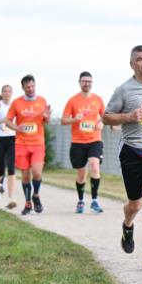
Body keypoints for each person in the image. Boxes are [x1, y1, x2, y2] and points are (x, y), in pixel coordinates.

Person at [103, 46, 142, 273]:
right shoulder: (124, 90)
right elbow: (106, 117)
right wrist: (128, 116)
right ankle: (127, 225)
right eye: (140, 59)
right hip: (132, 151)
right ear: (132, 64)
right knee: (135, 204)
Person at [5, 75, 51, 215]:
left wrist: (47, 116)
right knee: (25, 175)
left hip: (37, 143)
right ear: (23, 88)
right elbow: (7, 121)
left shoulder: (42, 100)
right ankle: (27, 203)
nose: (31, 89)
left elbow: (46, 121)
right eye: (28, 87)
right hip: (21, 144)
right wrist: (17, 128)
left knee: (37, 173)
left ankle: (35, 195)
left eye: (32, 86)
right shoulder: (17, 103)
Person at [61, 71, 106, 214]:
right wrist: (75, 119)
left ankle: (94, 200)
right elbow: (63, 120)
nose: (87, 84)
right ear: (79, 82)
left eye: (89, 81)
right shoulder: (73, 100)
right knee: (81, 174)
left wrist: (101, 124)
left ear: (92, 83)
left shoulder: (98, 99)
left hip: (95, 140)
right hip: (78, 142)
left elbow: (105, 118)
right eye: (84, 81)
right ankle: (81, 201)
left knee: (94, 165)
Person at [0, 85, 19, 209]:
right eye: (5, 91)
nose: (7, 93)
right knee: (1, 169)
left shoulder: (15, 105)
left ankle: (11, 197)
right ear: (1, 93)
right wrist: (3, 120)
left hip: (12, 138)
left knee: (11, 167)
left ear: (12, 93)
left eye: (9, 91)